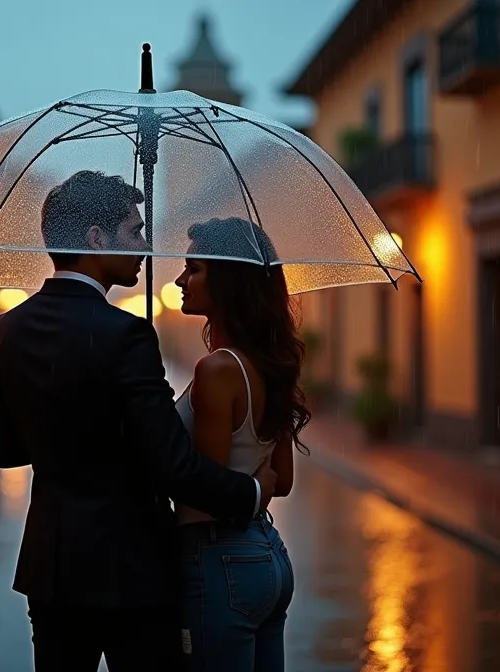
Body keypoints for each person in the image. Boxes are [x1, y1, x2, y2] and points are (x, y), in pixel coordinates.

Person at [0, 170, 276, 671]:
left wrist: (68, 436)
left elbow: (3, 450)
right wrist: (249, 493)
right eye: (135, 231)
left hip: (53, 569)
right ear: (97, 238)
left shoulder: (6, 328)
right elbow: (173, 465)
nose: (145, 246)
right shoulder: (126, 334)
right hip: (133, 569)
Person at [171, 217, 307, 671]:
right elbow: (282, 480)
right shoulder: (269, 364)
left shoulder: (217, 370)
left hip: (218, 557)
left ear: (228, 280)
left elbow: (210, 492)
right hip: (267, 555)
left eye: (194, 269)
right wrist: (258, 483)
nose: (180, 281)